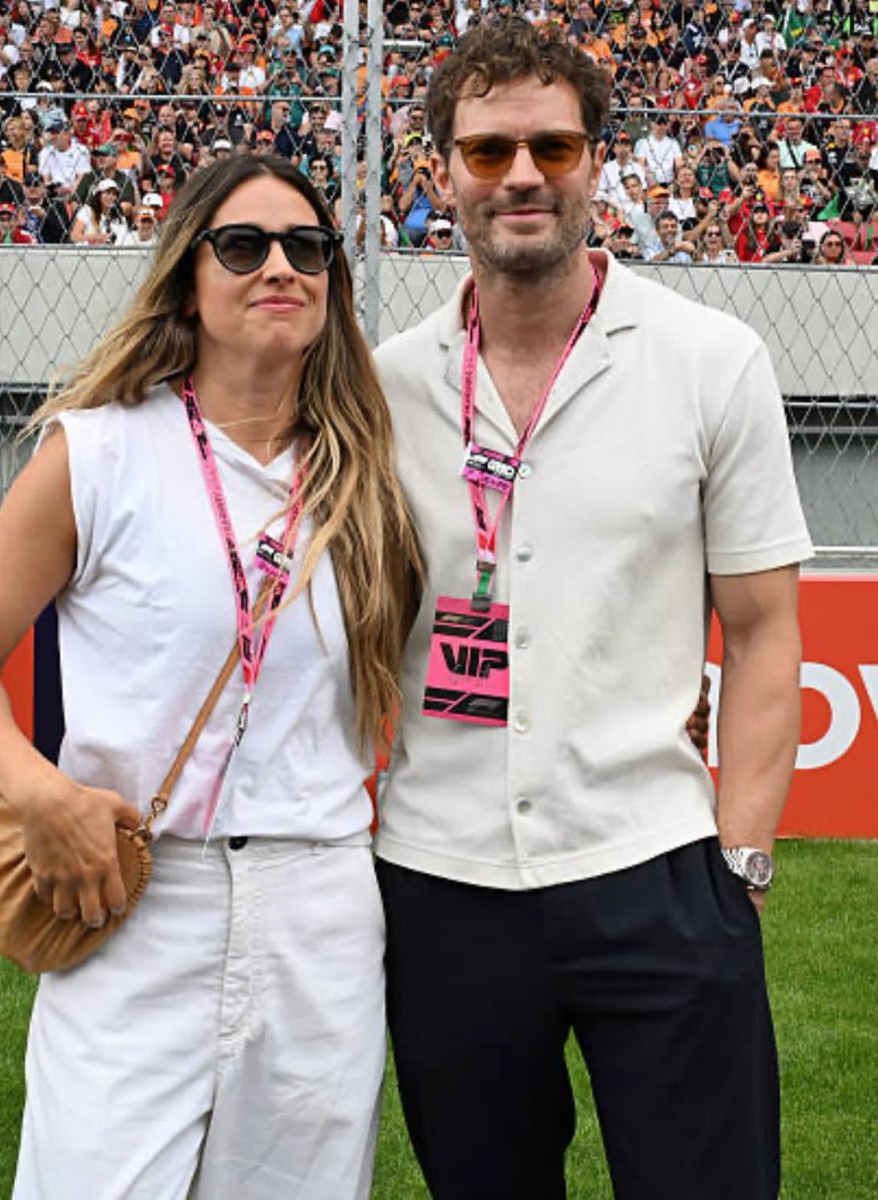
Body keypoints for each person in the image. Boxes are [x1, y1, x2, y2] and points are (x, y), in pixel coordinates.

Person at [0, 154, 421, 1200]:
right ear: (187, 276)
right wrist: (42, 792)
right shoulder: (96, 454)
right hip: (132, 892)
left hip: (317, 899)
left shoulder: (374, 478)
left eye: (308, 248)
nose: (279, 267)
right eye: (243, 246)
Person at [374, 20, 811, 1200]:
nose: (521, 175)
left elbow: (766, 629)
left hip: (656, 864)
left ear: (597, 162)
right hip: (440, 874)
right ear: (441, 173)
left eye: (553, 147)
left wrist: (743, 863)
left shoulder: (710, 359)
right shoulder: (380, 384)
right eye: (488, 151)